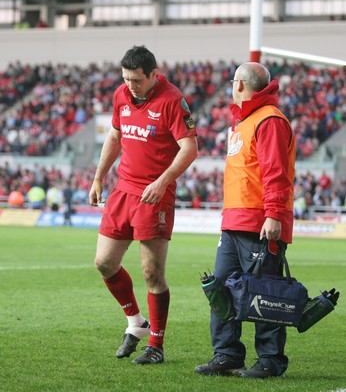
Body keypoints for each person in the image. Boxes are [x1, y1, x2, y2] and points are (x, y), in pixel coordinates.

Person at [89, 45, 198, 365]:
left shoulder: (172, 100)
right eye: (126, 79)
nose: (130, 86)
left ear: (153, 74)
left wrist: (162, 182)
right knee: (104, 263)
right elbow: (114, 137)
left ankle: (156, 345)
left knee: (152, 273)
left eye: (137, 80)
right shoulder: (121, 95)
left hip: (154, 193)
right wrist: (98, 178)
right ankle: (136, 324)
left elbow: (189, 148)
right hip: (123, 189)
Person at [195, 62, 296, 378]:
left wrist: (274, 215)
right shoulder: (245, 121)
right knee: (220, 291)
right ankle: (227, 354)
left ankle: (270, 360)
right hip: (234, 221)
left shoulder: (269, 121)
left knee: (265, 294)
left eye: (231, 82)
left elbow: (275, 171)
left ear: (239, 84)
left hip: (259, 223)